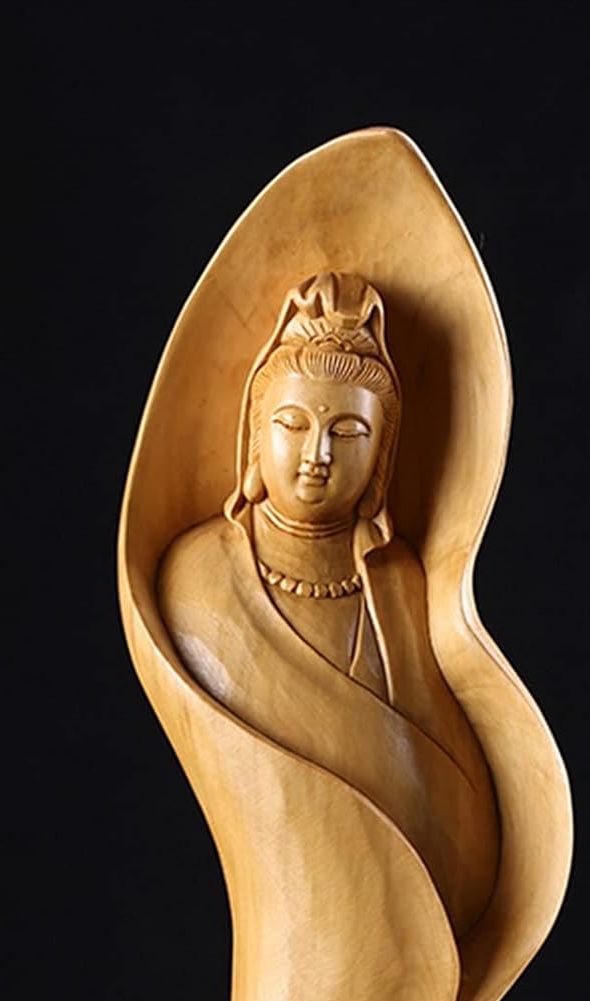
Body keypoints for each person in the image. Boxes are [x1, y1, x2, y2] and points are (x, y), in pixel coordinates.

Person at [157, 271, 499, 936]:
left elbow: (443, 782)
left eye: (348, 433)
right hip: (289, 919)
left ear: (381, 461)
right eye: (292, 424)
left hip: (412, 915)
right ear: (253, 437)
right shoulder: (200, 576)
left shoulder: (397, 583)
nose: (316, 455)